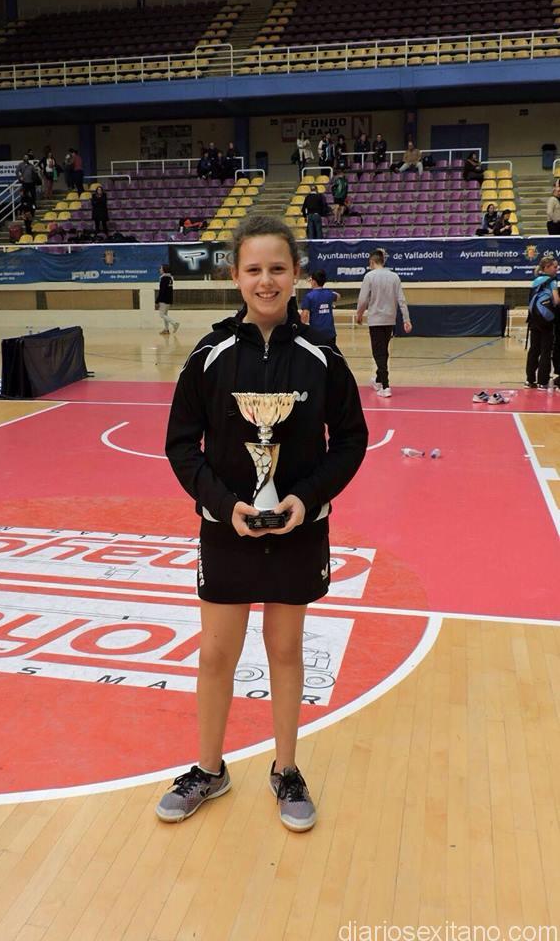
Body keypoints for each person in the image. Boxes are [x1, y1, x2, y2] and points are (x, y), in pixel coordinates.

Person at [157, 215, 368, 831]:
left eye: (278, 268)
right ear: (235, 275)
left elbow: (350, 441)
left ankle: (286, 769)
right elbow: (181, 445)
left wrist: (306, 498)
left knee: (285, 649)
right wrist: (225, 506)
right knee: (215, 654)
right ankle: (209, 768)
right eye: (254, 269)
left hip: (298, 530)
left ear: (296, 273)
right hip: (227, 530)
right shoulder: (209, 356)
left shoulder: (322, 357)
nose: (266, 280)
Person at [356, 247, 412, 397]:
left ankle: (386, 386)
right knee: (383, 351)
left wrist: (359, 314)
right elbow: (401, 300)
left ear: (372, 262)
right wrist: (406, 319)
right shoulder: (394, 277)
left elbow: (363, 299)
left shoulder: (369, 276)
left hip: (375, 320)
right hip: (389, 320)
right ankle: (379, 380)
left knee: (378, 353)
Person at [525, 255, 560, 389]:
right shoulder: (552, 281)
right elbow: (556, 301)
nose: (556, 269)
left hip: (534, 320)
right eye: (554, 267)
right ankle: (542, 382)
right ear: (546, 267)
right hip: (546, 321)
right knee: (546, 351)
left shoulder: (535, 281)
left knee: (534, 350)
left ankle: (529, 380)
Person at [300, 269, 340, 342]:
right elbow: (338, 296)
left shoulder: (309, 296)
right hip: (330, 333)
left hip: (316, 333)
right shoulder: (329, 294)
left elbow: (304, 315)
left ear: (314, 282)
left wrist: (300, 330)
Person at [155, 264, 179, 335]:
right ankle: (166, 330)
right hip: (168, 299)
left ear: (164, 270)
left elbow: (162, 291)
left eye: (161, 268)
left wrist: (157, 301)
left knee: (162, 315)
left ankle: (174, 323)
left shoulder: (164, 278)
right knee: (165, 314)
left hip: (164, 299)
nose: (160, 270)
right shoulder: (170, 278)